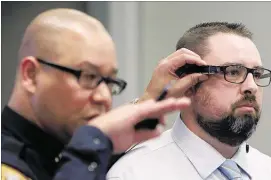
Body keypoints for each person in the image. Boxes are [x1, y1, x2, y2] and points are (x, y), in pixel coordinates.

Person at [1, 8, 208, 180]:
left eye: (110, 82)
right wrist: (91, 142)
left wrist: (147, 102)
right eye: (88, 76)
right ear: (31, 75)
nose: (104, 97)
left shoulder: (69, 150)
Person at [107, 22, 271, 180]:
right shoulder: (132, 174)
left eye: (256, 74)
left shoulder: (266, 169)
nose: (252, 87)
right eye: (233, 72)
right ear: (189, 82)